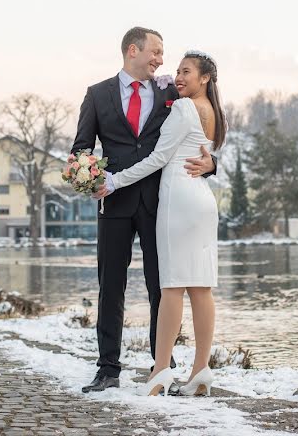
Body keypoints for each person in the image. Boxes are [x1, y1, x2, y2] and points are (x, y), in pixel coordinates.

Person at [71, 28, 217, 393]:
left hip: (161, 202)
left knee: (163, 285)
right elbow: (81, 148)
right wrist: (86, 176)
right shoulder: (97, 95)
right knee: (111, 288)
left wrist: (211, 165)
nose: (161, 60)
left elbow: (197, 140)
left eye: (164, 54)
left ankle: (162, 364)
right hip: (114, 202)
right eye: (155, 52)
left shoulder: (173, 92)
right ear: (132, 50)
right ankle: (108, 369)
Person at [103, 51, 226, 396]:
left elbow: (158, 157)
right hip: (202, 199)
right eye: (177, 71)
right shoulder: (214, 112)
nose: (178, 77)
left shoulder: (186, 108)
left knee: (172, 286)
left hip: (179, 199)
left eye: (186, 72)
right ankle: (201, 369)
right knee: (201, 287)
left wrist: (115, 181)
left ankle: (160, 372)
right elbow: (207, 157)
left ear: (205, 78)